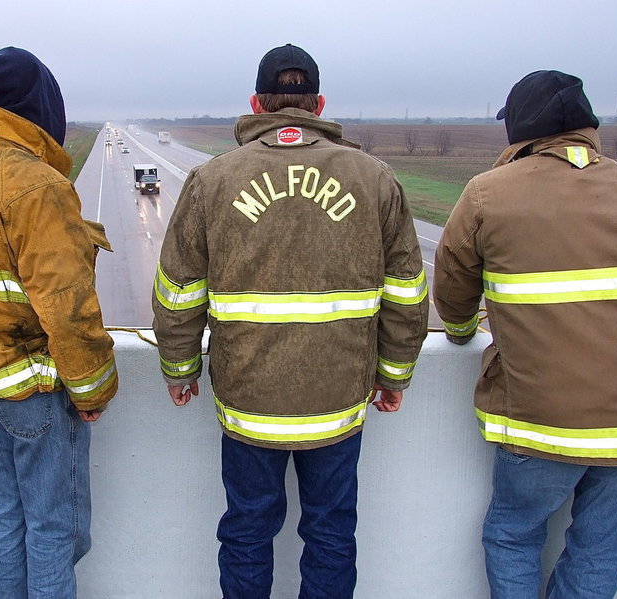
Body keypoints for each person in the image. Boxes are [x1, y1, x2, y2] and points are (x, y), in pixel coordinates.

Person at [152, 43, 428, 599]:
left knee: (248, 533)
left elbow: (178, 294)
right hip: (338, 403)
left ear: (257, 103)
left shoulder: (212, 180)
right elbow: (406, 294)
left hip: (249, 403)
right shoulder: (375, 179)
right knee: (330, 534)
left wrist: (181, 370)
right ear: (318, 105)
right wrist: (393, 375)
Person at [432, 70, 617, 599]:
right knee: (601, 548)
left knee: (512, 534)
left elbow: (453, 290)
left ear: (522, 130)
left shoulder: (486, 194)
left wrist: (461, 333)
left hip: (540, 419)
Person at [0, 47, 118, 598]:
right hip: (31, 384)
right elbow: (68, 308)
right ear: (40, 111)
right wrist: (94, 389)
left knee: (7, 520)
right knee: (56, 531)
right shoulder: (35, 185)